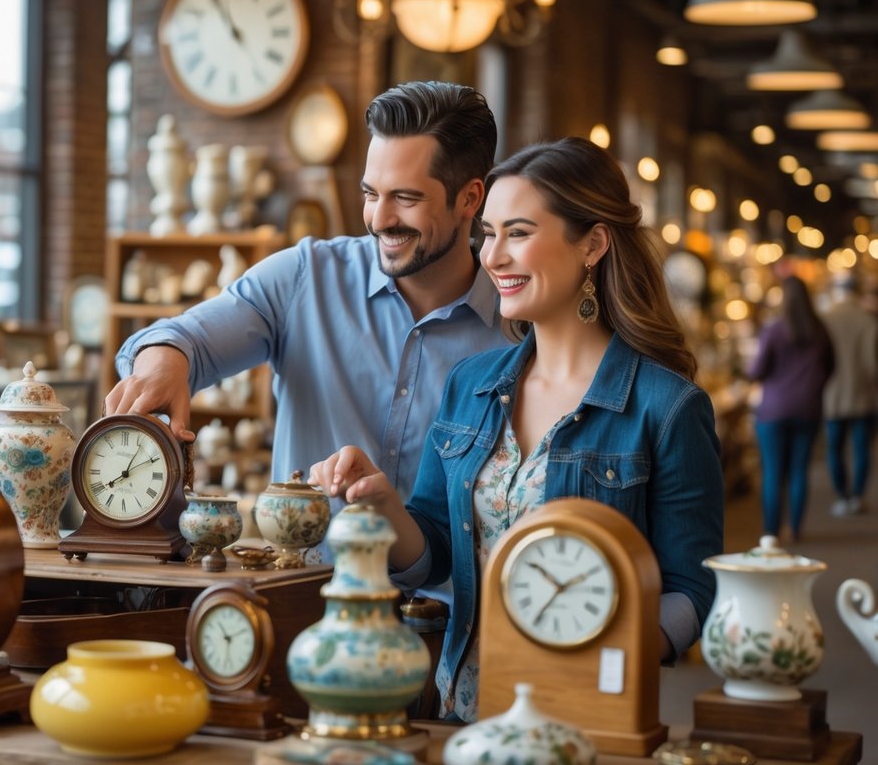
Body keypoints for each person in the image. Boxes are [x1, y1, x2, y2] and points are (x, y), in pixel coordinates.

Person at [310, 137, 724, 722]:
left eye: (519, 233)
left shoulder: (667, 406)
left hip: (583, 724)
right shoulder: (470, 385)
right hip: (461, 713)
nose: (492, 257)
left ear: (593, 245)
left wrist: (610, 657)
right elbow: (439, 553)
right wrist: (382, 504)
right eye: (488, 234)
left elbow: (691, 588)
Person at [106, 81, 508, 502]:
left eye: (406, 198)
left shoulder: (517, 323)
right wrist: (164, 362)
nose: (379, 219)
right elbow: (186, 339)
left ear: (470, 198)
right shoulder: (306, 276)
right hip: (304, 569)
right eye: (371, 194)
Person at [748, 274, 834, 541]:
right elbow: (831, 367)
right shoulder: (820, 330)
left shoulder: (774, 330)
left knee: (772, 472)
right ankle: (795, 529)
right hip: (808, 409)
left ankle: (771, 532)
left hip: (773, 411)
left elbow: (756, 370)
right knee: (799, 470)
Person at [819, 273, 876, 516]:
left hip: (831, 395)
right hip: (862, 394)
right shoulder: (868, 320)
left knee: (834, 449)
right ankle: (857, 496)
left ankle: (842, 495)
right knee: (862, 448)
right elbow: (872, 363)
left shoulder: (825, 319)